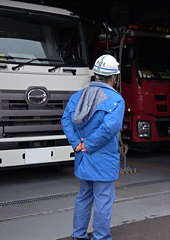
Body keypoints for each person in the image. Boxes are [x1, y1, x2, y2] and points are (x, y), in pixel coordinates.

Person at [61, 54, 125, 240]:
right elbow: (109, 129)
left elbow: (66, 120)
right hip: (103, 158)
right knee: (103, 199)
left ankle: (79, 235)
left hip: (83, 156)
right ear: (114, 77)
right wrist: (88, 144)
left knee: (83, 197)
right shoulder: (115, 99)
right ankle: (101, 237)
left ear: (95, 74)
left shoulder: (78, 96)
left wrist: (77, 143)